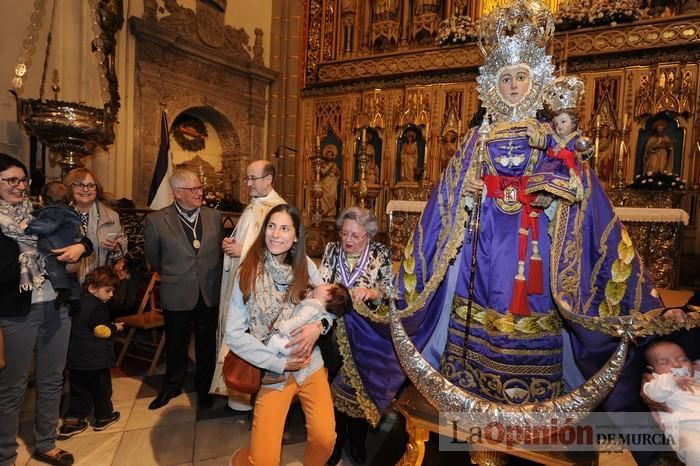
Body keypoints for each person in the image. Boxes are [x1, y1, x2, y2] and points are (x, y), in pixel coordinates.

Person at [347, 2, 680, 465]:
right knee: (479, 305)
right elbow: (448, 197)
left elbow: (580, 187)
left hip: (534, 246)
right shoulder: (476, 139)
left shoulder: (549, 136)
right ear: (492, 86)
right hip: (483, 248)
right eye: (504, 79)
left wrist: (551, 191)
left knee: (531, 307)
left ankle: (535, 392)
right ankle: (471, 382)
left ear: (535, 81)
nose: (513, 86)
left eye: (520, 77)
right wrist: (471, 194)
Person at [0, 153, 92, 466]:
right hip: (15, 313)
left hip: (56, 306)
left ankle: (46, 444)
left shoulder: (40, 212)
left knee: (52, 379)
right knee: (12, 388)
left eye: (22, 180)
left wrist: (82, 246)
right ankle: (5, 455)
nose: (19, 186)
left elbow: (78, 233)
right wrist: (41, 258)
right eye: (11, 180)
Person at [227, 204, 335, 466]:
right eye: (271, 226)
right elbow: (234, 332)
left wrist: (318, 326)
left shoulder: (305, 265)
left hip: (310, 364)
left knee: (325, 439)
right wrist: (279, 363)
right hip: (273, 370)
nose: (276, 234)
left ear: (296, 235)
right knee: (263, 460)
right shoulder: (248, 270)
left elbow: (328, 305)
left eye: (285, 228)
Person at [318, 206, 393, 465]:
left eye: (355, 236)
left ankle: (358, 440)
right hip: (335, 331)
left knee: (360, 387)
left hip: (365, 334)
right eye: (344, 233)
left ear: (369, 236)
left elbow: (389, 290)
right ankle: (336, 441)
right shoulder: (331, 250)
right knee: (335, 388)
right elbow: (321, 283)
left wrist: (373, 293)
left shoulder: (381, 253)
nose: (347, 240)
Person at [144, 168, 223, 410]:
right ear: (177, 193)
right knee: (176, 342)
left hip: (208, 289)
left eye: (200, 188)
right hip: (176, 289)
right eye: (193, 189)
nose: (200, 193)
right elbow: (154, 259)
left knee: (206, 343)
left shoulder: (213, 216)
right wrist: (176, 274)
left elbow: (218, 253)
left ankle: (205, 388)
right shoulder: (157, 220)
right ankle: (172, 385)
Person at [211, 160, 285, 408]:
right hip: (241, 283)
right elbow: (247, 240)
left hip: (261, 293)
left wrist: (241, 251)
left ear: (269, 179)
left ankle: (260, 399)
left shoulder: (279, 210)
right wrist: (232, 246)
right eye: (247, 178)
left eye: (253, 178)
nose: (248, 183)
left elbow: (283, 254)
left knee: (256, 340)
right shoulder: (253, 206)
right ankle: (239, 395)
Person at [58, 266, 123, 439]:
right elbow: (101, 330)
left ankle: (72, 423)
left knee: (78, 392)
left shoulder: (78, 301)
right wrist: (114, 327)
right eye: (108, 290)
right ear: (92, 288)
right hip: (95, 360)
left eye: (113, 291)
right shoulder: (99, 307)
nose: (111, 295)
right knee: (102, 389)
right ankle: (104, 417)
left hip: (76, 359)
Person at [262, 283, 352, 384]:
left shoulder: (312, 307)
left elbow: (299, 320)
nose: (323, 283)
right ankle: (276, 372)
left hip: (293, 343)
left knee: (274, 341)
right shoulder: (324, 311)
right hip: (300, 347)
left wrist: (284, 327)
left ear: (328, 295)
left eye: (327, 285)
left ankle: (271, 369)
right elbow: (331, 318)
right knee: (278, 348)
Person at [24, 181, 83, 313]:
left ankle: (62, 290)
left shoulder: (53, 211)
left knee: (53, 266)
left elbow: (47, 226)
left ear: (41, 198)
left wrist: (28, 228)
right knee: (71, 276)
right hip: (70, 244)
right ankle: (74, 298)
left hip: (56, 246)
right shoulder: (69, 211)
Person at [64, 168, 127, 283]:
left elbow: (122, 245)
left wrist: (115, 247)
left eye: (91, 185)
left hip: (99, 284)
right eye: (79, 185)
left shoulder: (112, 217)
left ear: (97, 189)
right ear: (69, 188)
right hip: (68, 284)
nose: (85, 189)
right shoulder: (60, 216)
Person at [643, 341, 700, 465]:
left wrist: (695, 366)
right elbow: (653, 393)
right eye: (664, 362)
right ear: (652, 369)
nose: (677, 364)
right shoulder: (656, 382)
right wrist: (671, 380)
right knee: (695, 450)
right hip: (686, 427)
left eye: (683, 359)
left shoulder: (695, 376)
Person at [320, 146, 341, 217]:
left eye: (330, 155)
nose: (329, 156)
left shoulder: (335, 165)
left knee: (332, 197)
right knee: (323, 198)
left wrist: (336, 172)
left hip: (332, 184)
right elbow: (322, 173)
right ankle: (324, 213)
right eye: (327, 154)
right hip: (324, 184)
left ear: (333, 156)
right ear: (325, 155)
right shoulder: (323, 165)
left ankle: (331, 214)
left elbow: (338, 174)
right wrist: (329, 170)